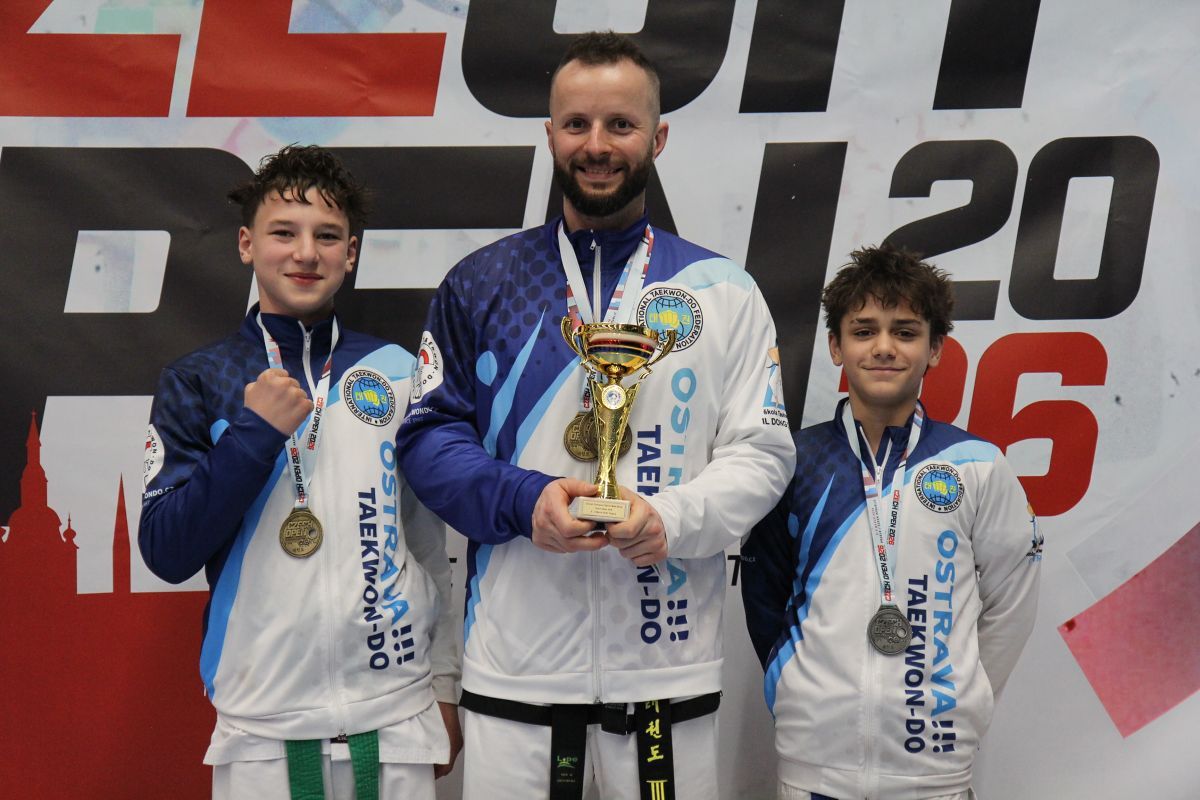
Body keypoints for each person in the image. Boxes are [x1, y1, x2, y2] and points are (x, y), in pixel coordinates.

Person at [396, 30, 795, 800]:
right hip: (517, 678)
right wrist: (525, 501)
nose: (598, 145)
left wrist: (670, 518)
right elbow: (429, 439)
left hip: (666, 679)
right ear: (551, 135)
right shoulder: (481, 284)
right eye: (577, 124)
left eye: (621, 124)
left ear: (658, 137)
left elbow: (763, 452)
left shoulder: (724, 292)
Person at [138, 144, 461, 800]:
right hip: (261, 725)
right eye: (283, 232)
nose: (306, 253)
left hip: (396, 714)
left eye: (328, 236)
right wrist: (253, 435)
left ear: (352, 253)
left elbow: (431, 547)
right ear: (246, 244)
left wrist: (444, 685)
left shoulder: (399, 372)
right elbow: (167, 551)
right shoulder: (200, 379)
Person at [741, 245, 1043, 800]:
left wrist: (960, 699)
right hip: (814, 769)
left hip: (935, 773)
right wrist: (796, 688)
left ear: (935, 349)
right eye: (864, 331)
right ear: (836, 346)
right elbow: (764, 598)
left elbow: (1013, 600)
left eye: (905, 332)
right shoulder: (793, 463)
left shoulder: (977, 466)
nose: (884, 347)